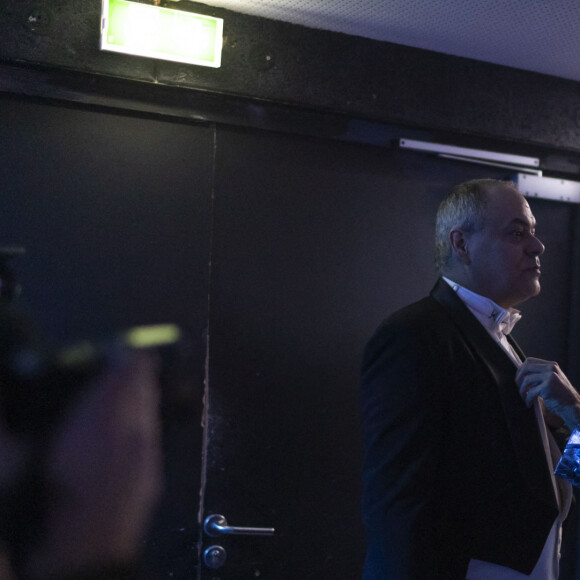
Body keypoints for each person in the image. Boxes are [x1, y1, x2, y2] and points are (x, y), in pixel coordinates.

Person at [360, 178, 580, 579]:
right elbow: (396, 511)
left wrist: (576, 413)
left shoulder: (506, 343)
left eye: (532, 232)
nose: (537, 246)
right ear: (461, 244)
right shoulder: (415, 335)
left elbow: (566, 481)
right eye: (517, 233)